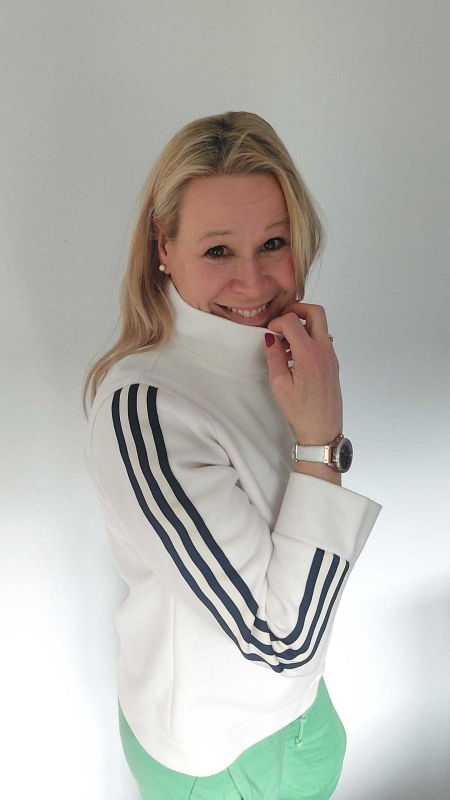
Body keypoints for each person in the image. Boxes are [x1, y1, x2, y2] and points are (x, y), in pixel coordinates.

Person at [82, 111, 382, 799]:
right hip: (215, 757)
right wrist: (321, 436)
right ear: (164, 246)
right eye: (219, 251)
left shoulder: (285, 361)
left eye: (273, 243)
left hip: (303, 711)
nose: (253, 283)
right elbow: (282, 639)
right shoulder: (147, 410)